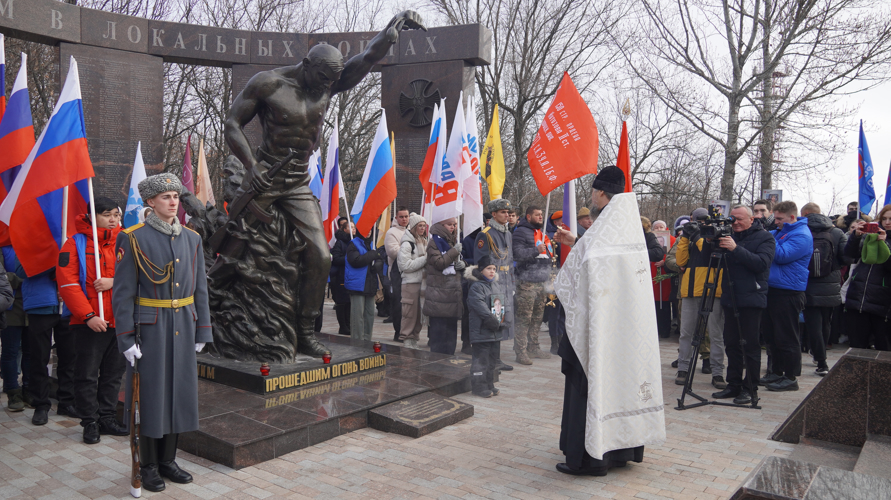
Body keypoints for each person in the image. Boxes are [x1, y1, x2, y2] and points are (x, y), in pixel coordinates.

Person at [221, 12, 425, 357]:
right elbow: (231, 124)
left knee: (320, 254)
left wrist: (390, 35)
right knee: (231, 246)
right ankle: (221, 309)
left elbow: (367, 58)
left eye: (332, 79)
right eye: (321, 77)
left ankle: (304, 330)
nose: (325, 86)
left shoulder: (329, 82)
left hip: (298, 180)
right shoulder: (268, 83)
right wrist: (251, 165)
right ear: (306, 64)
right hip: (265, 176)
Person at [552, 166, 665, 476]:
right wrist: (576, 240)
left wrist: (574, 246)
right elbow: (600, 258)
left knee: (591, 382)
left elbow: (586, 267)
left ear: (601, 193)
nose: (592, 198)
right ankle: (620, 451)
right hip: (628, 327)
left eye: (593, 193)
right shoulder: (627, 228)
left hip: (599, 327)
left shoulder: (605, 229)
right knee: (622, 381)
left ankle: (588, 459)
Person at [113, 173, 213, 492]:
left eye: (176, 197)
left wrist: (203, 330)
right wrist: (126, 338)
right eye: (166, 197)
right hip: (150, 329)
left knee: (179, 396)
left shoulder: (192, 238)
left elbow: (200, 289)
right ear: (151, 202)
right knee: (152, 398)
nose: (173, 202)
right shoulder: (133, 238)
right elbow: (123, 293)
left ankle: (169, 460)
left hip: (183, 324)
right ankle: (149, 464)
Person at [57, 198, 128, 444]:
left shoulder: (127, 242)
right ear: (91, 216)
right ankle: (89, 421)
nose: (113, 220)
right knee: (87, 374)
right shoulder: (74, 244)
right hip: (89, 322)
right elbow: (67, 284)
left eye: (116, 215)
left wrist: (114, 281)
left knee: (113, 374)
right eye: (107, 214)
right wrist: (88, 316)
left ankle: (107, 417)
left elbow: (140, 276)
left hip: (120, 321)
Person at [710, 206, 775, 405]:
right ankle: (734, 384)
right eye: (732, 220)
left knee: (750, 346)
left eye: (739, 219)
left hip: (752, 298)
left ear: (751, 218)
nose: (735, 223)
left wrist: (735, 249)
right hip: (730, 296)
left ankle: (750, 388)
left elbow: (761, 264)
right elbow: (714, 263)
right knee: (732, 343)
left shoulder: (765, 238)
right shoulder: (729, 235)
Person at [761, 201, 812, 392]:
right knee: (772, 335)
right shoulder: (782, 232)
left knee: (787, 336)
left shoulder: (802, 234)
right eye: (775, 218)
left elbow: (781, 255)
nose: (776, 222)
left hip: (789, 291)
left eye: (780, 218)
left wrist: (767, 237)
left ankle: (791, 377)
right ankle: (776, 371)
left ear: (792, 217)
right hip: (773, 289)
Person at [19, 261, 76, 425]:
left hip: (67, 305)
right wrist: (54, 264)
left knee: (69, 357)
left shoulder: (69, 239)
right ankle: (40, 404)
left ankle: (67, 401)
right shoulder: (31, 241)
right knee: (39, 358)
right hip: (40, 305)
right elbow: (20, 270)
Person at [676, 208, 727, 389]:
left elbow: (707, 252)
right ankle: (683, 368)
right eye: (695, 220)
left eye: (702, 220)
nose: (698, 223)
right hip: (690, 290)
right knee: (686, 333)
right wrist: (684, 237)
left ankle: (718, 372)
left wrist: (698, 234)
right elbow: (680, 261)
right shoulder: (690, 237)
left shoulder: (716, 234)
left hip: (713, 290)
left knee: (715, 334)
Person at [800, 203, 850, 376]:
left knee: (813, 324)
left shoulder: (802, 231)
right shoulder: (836, 232)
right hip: (831, 283)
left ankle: (821, 362)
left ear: (805, 214)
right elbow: (846, 258)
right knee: (826, 322)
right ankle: (821, 357)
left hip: (808, 283)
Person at [842, 204, 891, 351]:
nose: (887, 222)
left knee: (884, 349)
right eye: (884, 218)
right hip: (859, 298)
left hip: (883, 303)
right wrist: (856, 237)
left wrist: (885, 244)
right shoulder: (870, 236)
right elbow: (850, 256)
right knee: (857, 347)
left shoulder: (883, 240)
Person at [476, 199, 516, 372]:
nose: (507, 215)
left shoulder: (507, 233)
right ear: (493, 214)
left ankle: (496, 358)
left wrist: (512, 282)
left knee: (502, 319)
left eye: (508, 212)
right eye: (502, 212)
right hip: (492, 282)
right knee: (493, 320)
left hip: (505, 282)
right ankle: (490, 360)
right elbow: (481, 262)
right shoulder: (485, 234)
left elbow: (510, 259)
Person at [512, 206, 555, 364]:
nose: (540, 217)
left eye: (542, 214)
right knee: (524, 318)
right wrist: (536, 250)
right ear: (528, 216)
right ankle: (520, 351)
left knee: (537, 318)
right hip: (526, 282)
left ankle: (534, 347)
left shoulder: (541, 234)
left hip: (541, 281)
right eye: (537, 215)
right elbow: (517, 254)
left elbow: (549, 254)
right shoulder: (520, 232)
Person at [465, 255, 509, 397]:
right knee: (480, 361)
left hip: (494, 332)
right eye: (488, 268)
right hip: (481, 331)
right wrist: (492, 320)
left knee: (491, 361)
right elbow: (479, 306)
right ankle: (478, 386)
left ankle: (489, 384)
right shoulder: (476, 286)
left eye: (494, 269)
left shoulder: (495, 285)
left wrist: (505, 318)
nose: (492, 271)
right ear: (481, 270)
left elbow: (503, 303)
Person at [423, 218, 465, 354]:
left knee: (451, 336)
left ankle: (449, 363)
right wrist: (454, 252)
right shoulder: (434, 242)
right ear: (441, 225)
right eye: (449, 224)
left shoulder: (451, 240)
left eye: (454, 224)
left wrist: (463, 265)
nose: (452, 227)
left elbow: (455, 261)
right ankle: (436, 367)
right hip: (439, 296)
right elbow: (439, 263)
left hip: (451, 295)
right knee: (439, 336)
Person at [460, 212, 492, 354]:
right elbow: (464, 259)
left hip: (486, 279)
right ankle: (466, 342)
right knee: (468, 313)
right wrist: (479, 264)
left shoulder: (488, 238)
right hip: (470, 279)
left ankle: (482, 342)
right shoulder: (465, 238)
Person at [0, 246, 26, 411]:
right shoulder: (3, 248)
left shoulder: (33, 244)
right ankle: (12, 391)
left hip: (32, 305)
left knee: (31, 351)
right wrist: (24, 280)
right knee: (11, 351)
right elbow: (5, 278)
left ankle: (29, 390)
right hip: (10, 308)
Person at [345, 228, 382, 341]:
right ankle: (357, 341)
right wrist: (371, 255)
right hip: (357, 284)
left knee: (369, 314)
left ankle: (367, 339)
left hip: (370, 283)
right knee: (358, 315)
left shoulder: (372, 244)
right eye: (366, 228)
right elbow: (356, 261)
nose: (369, 231)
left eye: (370, 229)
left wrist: (378, 264)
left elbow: (379, 258)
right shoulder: (353, 244)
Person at [398, 213, 428, 349]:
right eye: (420, 226)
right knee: (409, 314)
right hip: (410, 283)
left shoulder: (424, 241)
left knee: (419, 315)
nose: (422, 228)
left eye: (424, 226)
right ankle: (407, 339)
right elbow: (405, 265)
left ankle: (414, 337)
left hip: (421, 283)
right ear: (414, 227)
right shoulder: (407, 243)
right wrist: (425, 259)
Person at [385, 208, 410, 340]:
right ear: (396, 217)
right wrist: (411, 248)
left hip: (412, 272)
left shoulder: (412, 230)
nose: (404, 219)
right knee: (398, 303)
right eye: (401, 217)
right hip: (398, 273)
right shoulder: (392, 232)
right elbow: (393, 252)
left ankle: (409, 331)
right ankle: (398, 331)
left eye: (406, 216)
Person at [647, 218, 674, 338]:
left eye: (661, 227)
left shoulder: (672, 240)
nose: (658, 229)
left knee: (664, 303)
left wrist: (664, 261)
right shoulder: (649, 239)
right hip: (651, 274)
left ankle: (665, 330)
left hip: (665, 276)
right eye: (656, 227)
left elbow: (675, 255)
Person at [329, 218, 352, 336]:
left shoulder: (353, 241)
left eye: (354, 227)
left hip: (350, 277)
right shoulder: (340, 243)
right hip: (341, 276)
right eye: (350, 227)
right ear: (344, 229)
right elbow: (336, 259)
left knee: (349, 302)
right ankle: (343, 326)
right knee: (342, 302)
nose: (353, 229)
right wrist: (350, 258)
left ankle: (349, 325)